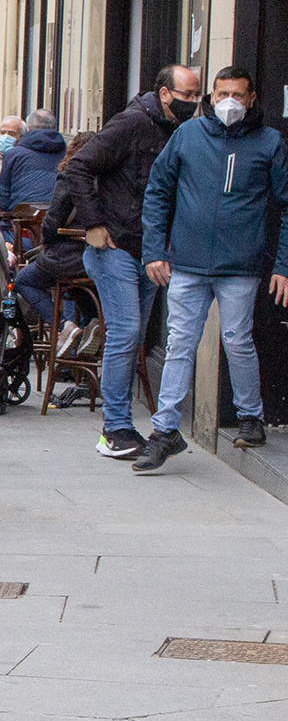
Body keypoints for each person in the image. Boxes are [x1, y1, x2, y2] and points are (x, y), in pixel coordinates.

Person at [132, 66, 288, 472]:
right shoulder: (188, 135)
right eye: (221, 94)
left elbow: (287, 206)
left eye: (238, 94)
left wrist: (283, 265)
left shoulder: (270, 141)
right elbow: (158, 191)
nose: (229, 102)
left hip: (240, 265)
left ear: (252, 98)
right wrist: (154, 251)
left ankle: (250, 417)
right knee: (180, 342)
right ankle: (165, 430)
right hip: (186, 262)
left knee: (237, 340)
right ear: (211, 97)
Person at [62, 63, 201, 459]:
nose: (193, 102)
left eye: (196, 96)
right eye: (186, 95)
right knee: (125, 332)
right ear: (164, 93)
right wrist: (93, 224)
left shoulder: (182, 131)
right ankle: (115, 427)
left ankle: (121, 423)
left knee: (135, 336)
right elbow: (79, 166)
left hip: (149, 250)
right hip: (116, 247)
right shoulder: (131, 124)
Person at [12, 132, 101, 358]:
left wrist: (47, 244)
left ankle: (64, 326)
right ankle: (93, 325)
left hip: (69, 256)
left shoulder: (71, 176)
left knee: (23, 280)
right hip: (101, 259)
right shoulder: (110, 178)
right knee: (81, 290)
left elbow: (52, 222)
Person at [0, 108, 64, 211]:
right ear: (53, 127)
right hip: (56, 213)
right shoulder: (65, 152)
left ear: (28, 129)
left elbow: (2, 192)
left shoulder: (14, 154)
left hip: (21, 215)